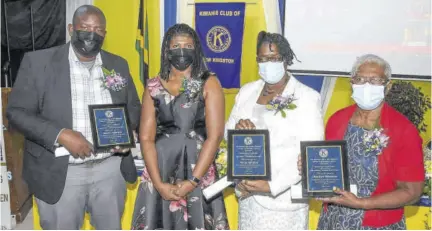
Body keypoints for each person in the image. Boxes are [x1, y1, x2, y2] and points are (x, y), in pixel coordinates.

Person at [6, 5, 141, 230]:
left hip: (109, 170)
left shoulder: (118, 64)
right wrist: (61, 135)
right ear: (71, 28)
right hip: (61, 171)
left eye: (98, 29)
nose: (92, 33)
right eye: (85, 27)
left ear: (105, 35)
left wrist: (125, 132)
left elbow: (133, 107)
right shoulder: (39, 63)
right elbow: (16, 113)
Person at [298, 54, 425, 229]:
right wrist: (310, 167)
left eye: (374, 80)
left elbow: (412, 192)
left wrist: (362, 203)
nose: (366, 85)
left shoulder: (403, 130)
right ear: (352, 84)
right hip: (333, 220)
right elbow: (330, 168)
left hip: (376, 223)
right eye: (360, 79)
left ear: (387, 86)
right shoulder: (336, 120)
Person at [131, 23, 229, 230]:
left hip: (198, 169)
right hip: (160, 169)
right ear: (167, 50)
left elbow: (215, 135)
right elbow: (146, 138)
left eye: (188, 45)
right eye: (176, 46)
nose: (182, 51)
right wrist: (158, 184)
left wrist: (193, 181)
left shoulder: (209, 82)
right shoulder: (153, 85)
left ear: (196, 49)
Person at [225, 31, 324, 230]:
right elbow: (228, 135)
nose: (267, 64)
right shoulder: (247, 92)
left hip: (284, 202)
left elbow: (309, 154)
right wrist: (238, 129)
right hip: (248, 195)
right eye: (262, 59)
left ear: (286, 60)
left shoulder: (307, 97)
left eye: (274, 58)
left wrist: (271, 186)